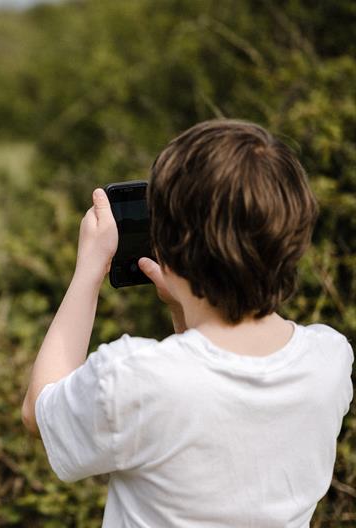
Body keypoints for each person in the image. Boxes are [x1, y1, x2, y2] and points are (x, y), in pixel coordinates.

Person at [21, 119, 353, 526]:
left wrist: (88, 272)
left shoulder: (134, 378)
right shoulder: (330, 359)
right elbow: (218, 380)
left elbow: (40, 411)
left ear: (171, 246)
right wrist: (184, 305)